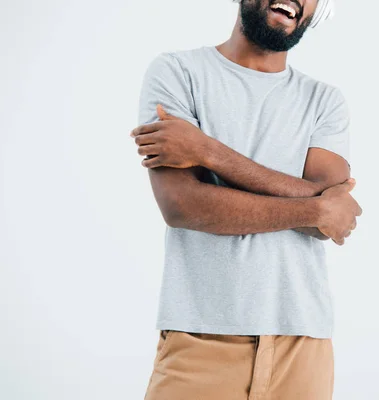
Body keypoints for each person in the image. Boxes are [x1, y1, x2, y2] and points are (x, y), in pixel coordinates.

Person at [130, 0, 362, 398]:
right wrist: (316, 204)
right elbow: (183, 206)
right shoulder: (179, 73)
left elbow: (329, 224)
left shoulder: (324, 101)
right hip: (200, 339)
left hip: (303, 345)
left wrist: (208, 153)